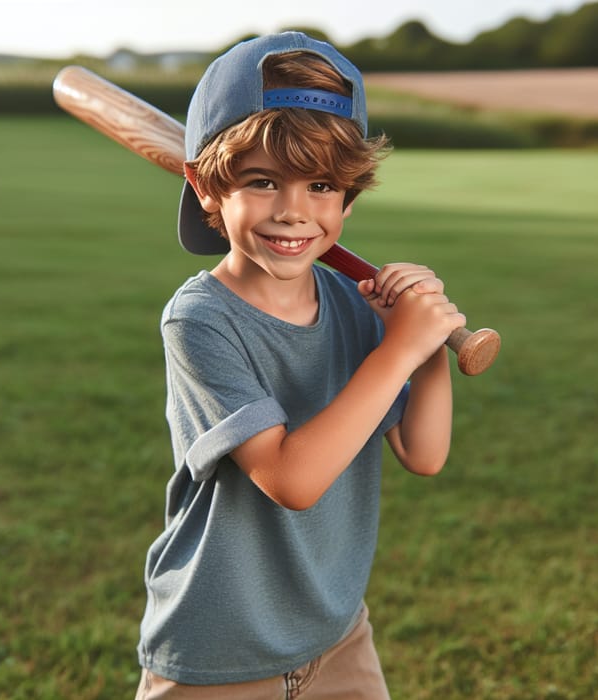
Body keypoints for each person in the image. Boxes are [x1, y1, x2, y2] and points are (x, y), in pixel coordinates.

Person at [135, 31, 466, 700]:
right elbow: (292, 478)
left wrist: (424, 349)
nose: (293, 211)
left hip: (338, 634)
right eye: (262, 181)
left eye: (322, 185)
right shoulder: (201, 319)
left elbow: (423, 453)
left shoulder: (351, 303)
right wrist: (398, 348)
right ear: (205, 186)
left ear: (349, 196)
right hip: (218, 650)